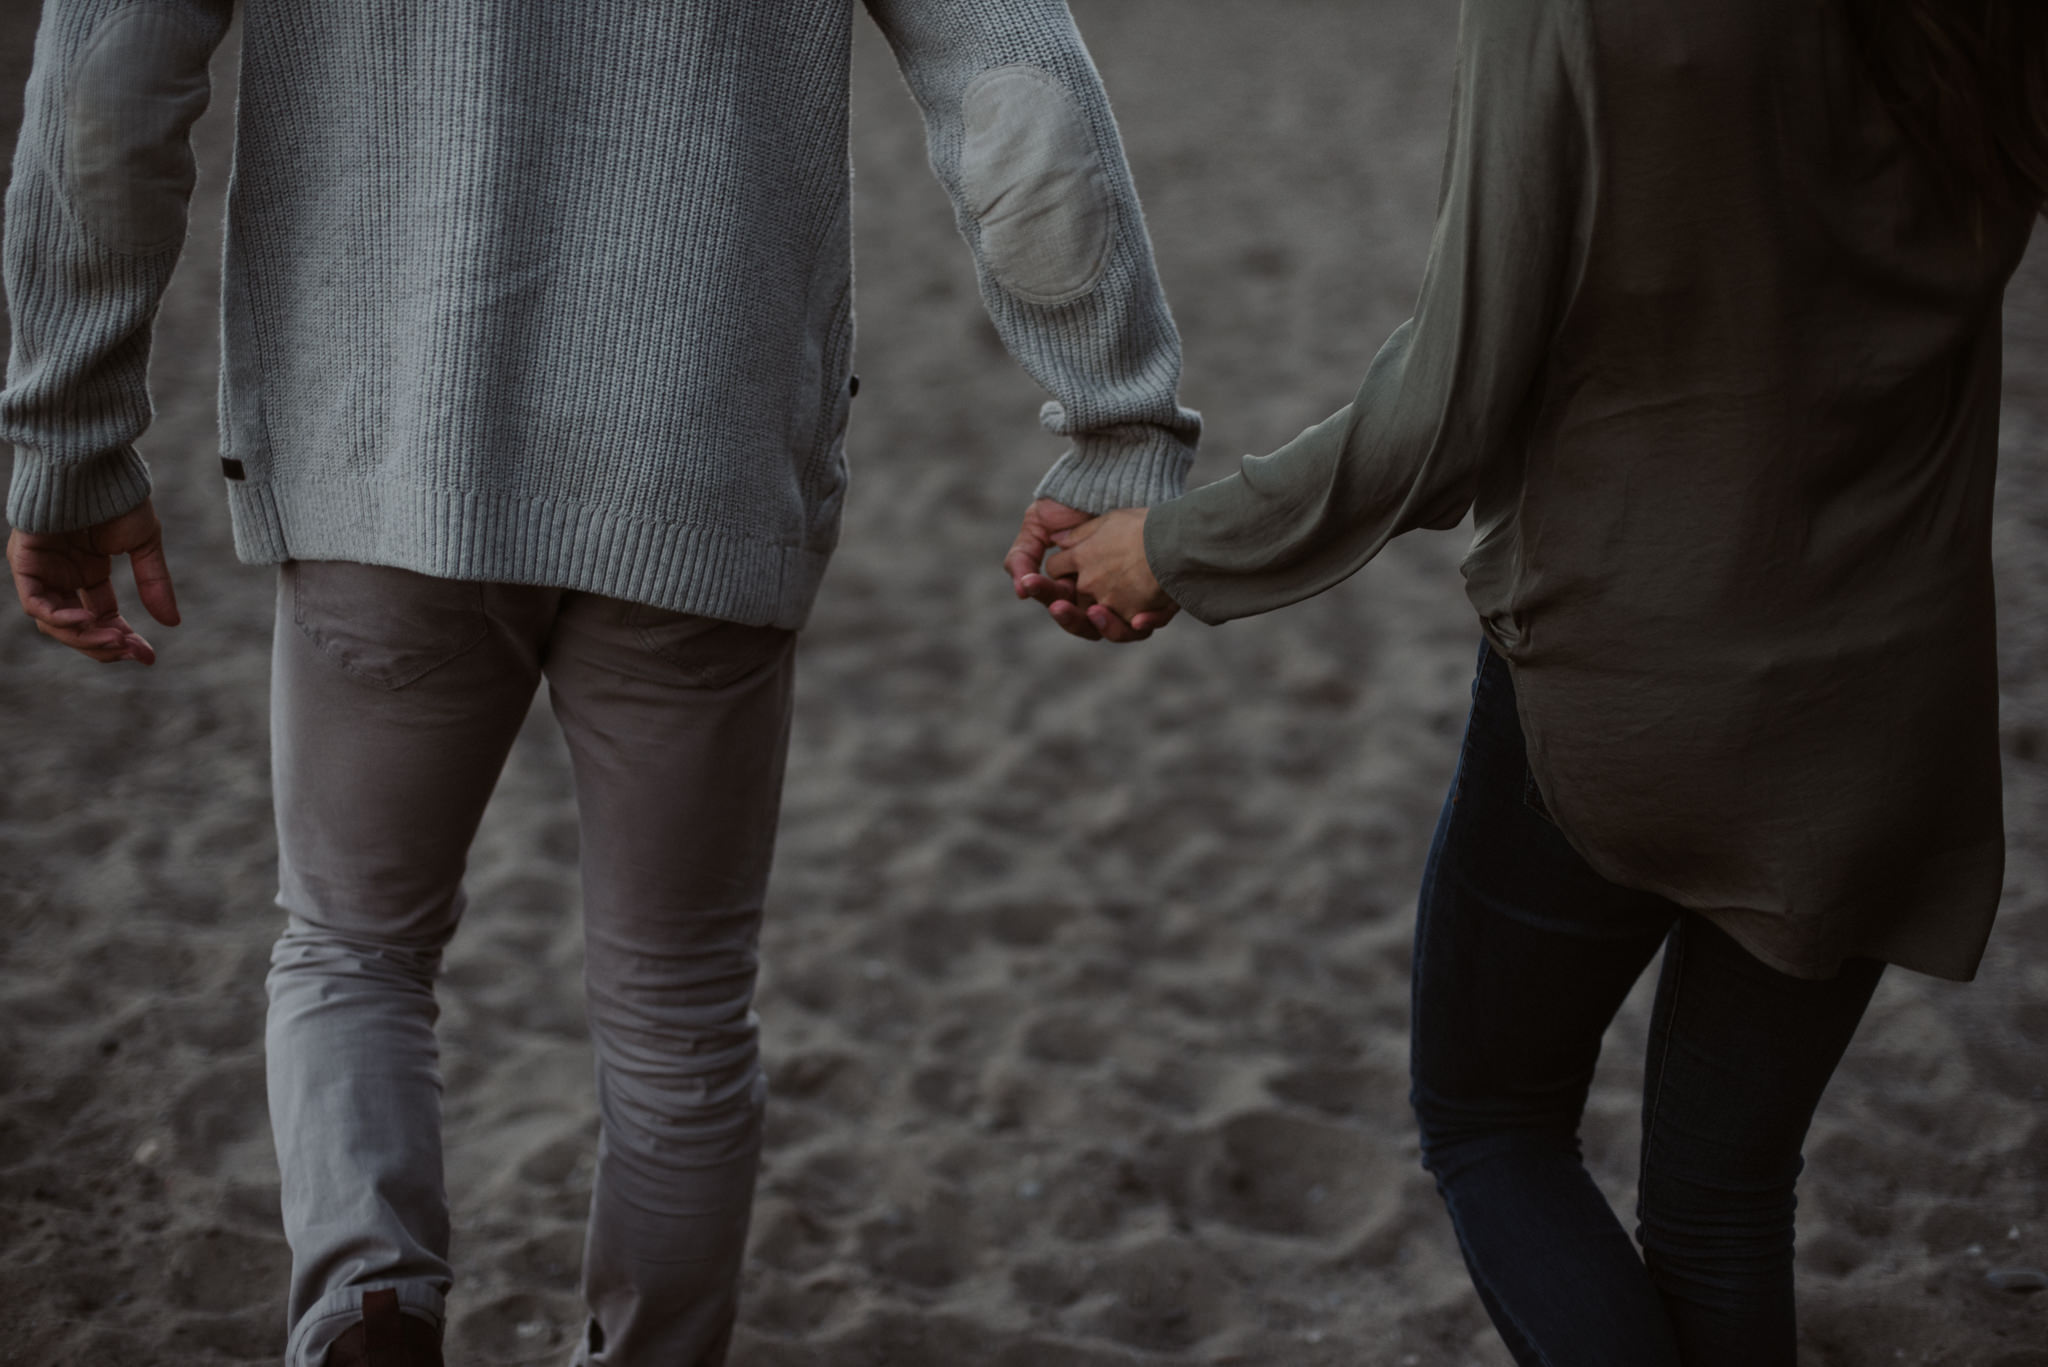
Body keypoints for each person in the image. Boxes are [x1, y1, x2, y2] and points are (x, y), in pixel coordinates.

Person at [3, 2, 1197, 1364]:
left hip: (385, 448)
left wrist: (70, 425)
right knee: (679, 1001)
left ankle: (370, 1306)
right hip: (706, 456)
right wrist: (1119, 420)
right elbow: (1015, 83)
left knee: (352, 947)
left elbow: (106, 81)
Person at [1041, 0, 2045, 1362]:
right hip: (1884, 704)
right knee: (1727, 1201)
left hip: (1629, 675)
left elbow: (1448, 405)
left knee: (1490, 1120)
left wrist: (1171, 547)